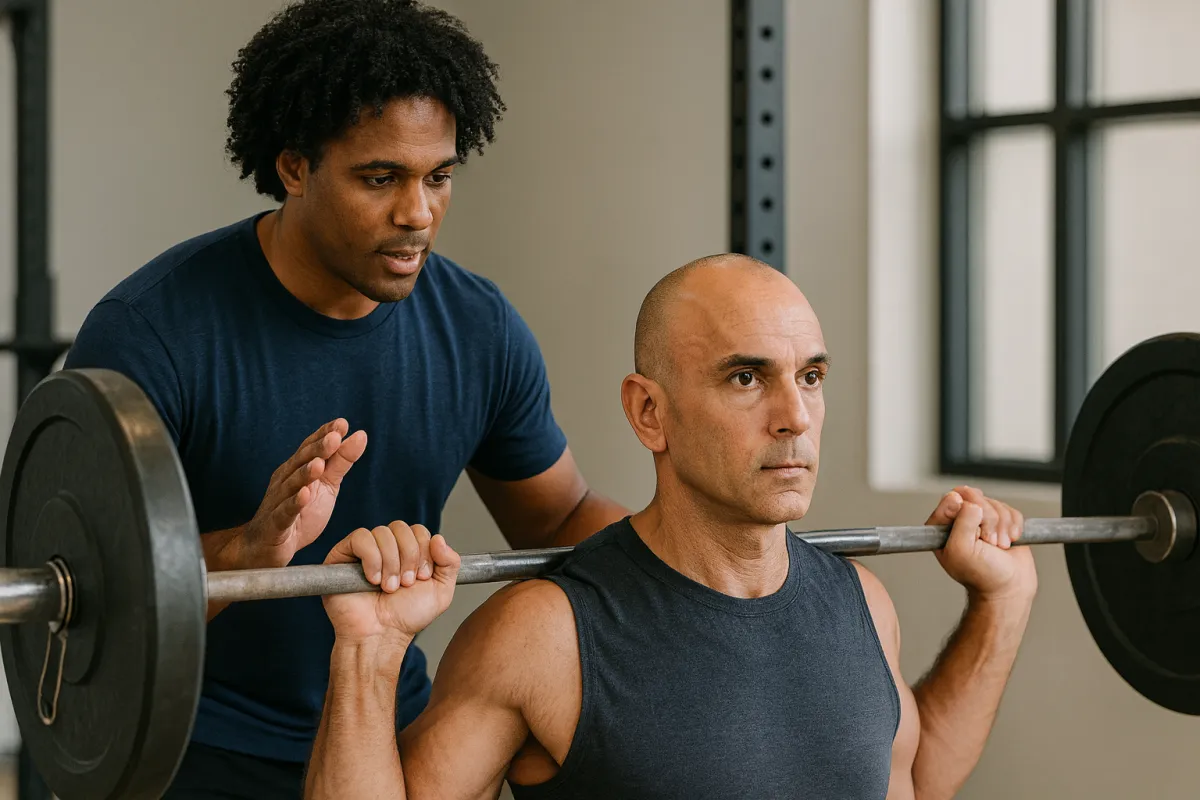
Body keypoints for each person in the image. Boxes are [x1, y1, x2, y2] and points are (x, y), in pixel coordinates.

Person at [61, 0, 628, 797]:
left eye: (439, 177)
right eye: (380, 178)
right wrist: (250, 550)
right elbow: (87, 599)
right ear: (295, 168)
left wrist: (706, 556)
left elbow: (562, 521)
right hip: (192, 745)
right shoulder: (151, 333)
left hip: (393, 737)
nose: (418, 214)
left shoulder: (479, 329)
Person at [304, 254, 1040, 800]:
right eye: (745, 378)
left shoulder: (862, 604)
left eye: (810, 376)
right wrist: (367, 656)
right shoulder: (543, 635)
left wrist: (1002, 606)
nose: (795, 418)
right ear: (648, 412)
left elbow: (914, 781)